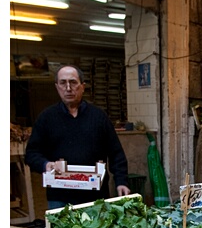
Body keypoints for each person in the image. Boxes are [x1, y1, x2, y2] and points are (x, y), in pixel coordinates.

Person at [25, 64, 131, 211]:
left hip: (95, 198)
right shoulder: (46, 118)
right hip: (59, 198)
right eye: (63, 83)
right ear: (57, 87)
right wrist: (46, 165)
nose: (68, 88)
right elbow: (31, 154)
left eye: (73, 82)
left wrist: (121, 182)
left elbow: (116, 153)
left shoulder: (99, 117)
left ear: (83, 86)